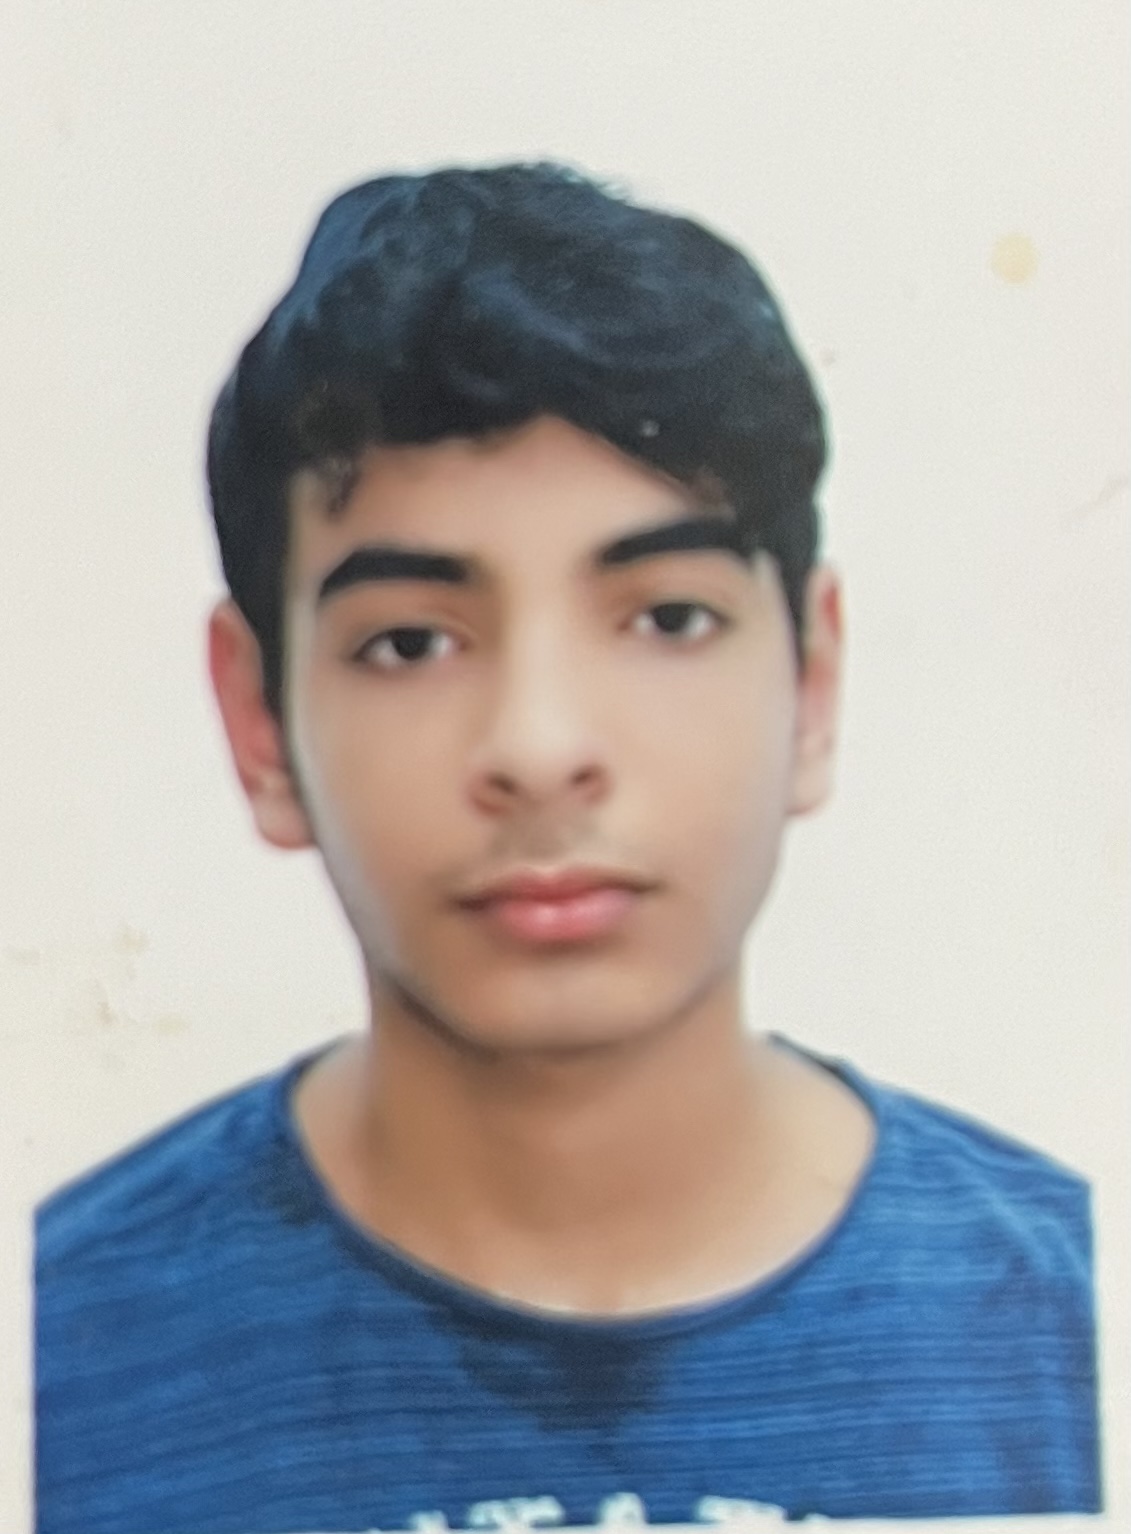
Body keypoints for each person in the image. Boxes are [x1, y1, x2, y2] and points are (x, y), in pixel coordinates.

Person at [35, 162, 1101, 1533]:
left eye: (667, 618)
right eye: (409, 641)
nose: (539, 747)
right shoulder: (55, 1356)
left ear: (815, 682)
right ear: (259, 722)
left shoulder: (1072, 1331)